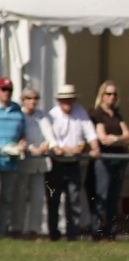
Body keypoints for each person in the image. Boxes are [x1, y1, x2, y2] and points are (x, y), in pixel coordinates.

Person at [47, 84, 99, 241]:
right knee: (54, 199)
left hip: (73, 163)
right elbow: (50, 139)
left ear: (74, 99)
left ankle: (72, 234)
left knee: (74, 199)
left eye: (69, 99)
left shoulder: (80, 112)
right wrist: (65, 148)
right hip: (56, 162)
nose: (67, 103)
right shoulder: (52, 115)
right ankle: (54, 234)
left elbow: (90, 132)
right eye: (64, 100)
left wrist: (95, 147)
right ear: (59, 101)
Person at [87, 80, 129, 241]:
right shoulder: (96, 113)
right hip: (103, 161)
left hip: (118, 161)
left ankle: (111, 232)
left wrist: (116, 138)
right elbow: (103, 139)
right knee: (101, 196)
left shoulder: (117, 114)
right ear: (102, 95)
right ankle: (97, 231)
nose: (112, 97)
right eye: (108, 94)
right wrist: (118, 139)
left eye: (114, 94)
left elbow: (128, 137)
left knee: (114, 197)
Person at [13, 88, 54, 240]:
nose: (33, 101)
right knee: (20, 197)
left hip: (40, 163)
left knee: (38, 198)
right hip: (24, 162)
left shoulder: (42, 116)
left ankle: (34, 229)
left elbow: (50, 136)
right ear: (23, 100)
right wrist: (31, 148)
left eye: (35, 98)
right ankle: (17, 228)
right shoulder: (19, 115)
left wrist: (45, 146)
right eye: (29, 98)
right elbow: (18, 136)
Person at [0, 77, 26, 237]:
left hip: (12, 161)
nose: (6, 93)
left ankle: (2, 231)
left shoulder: (17, 110)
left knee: (8, 198)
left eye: (9, 90)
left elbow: (22, 133)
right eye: (3, 89)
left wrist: (22, 144)